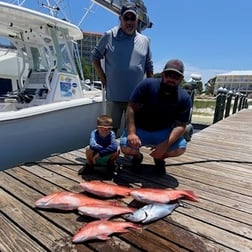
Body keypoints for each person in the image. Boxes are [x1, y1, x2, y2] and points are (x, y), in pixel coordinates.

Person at [120, 59, 192, 176]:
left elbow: (181, 125)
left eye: (176, 77)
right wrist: (132, 133)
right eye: (169, 75)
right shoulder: (146, 85)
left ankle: (159, 159)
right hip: (141, 129)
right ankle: (137, 157)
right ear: (163, 74)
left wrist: (165, 146)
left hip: (163, 132)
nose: (171, 79)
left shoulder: (184, 98)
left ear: (180, 79)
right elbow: (131, 108)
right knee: (125, 147)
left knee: (181, 148)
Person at [91, 2, 153, 136]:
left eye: (133, 18)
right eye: (126, 18)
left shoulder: (145, 40)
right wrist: (102, 77)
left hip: (135, 98)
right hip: (114, 97)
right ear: (120, 19)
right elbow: (95, 57)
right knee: (109, 132)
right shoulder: (109, 36)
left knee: (133, 132)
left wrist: (149, 90)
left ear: (137, 20)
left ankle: (130, 154)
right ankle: (110, 155)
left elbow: (149, 66)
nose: (129, 22)